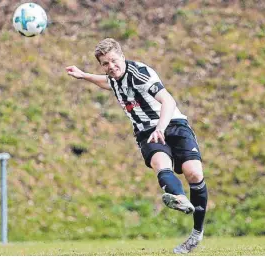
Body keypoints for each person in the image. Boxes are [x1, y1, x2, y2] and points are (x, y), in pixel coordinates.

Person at [66, 38, 208, 254]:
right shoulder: (114, 78)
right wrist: (84, 75)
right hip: (145, 132)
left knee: (194, 173)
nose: (111, 67)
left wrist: (161, 127)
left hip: (173, 123)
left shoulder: (140, 73)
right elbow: (108, 82)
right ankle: (179, 198)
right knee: (161, 164)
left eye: (114, 61)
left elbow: (168, 102)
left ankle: (196, 233)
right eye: (105, 64)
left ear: (122, 56)